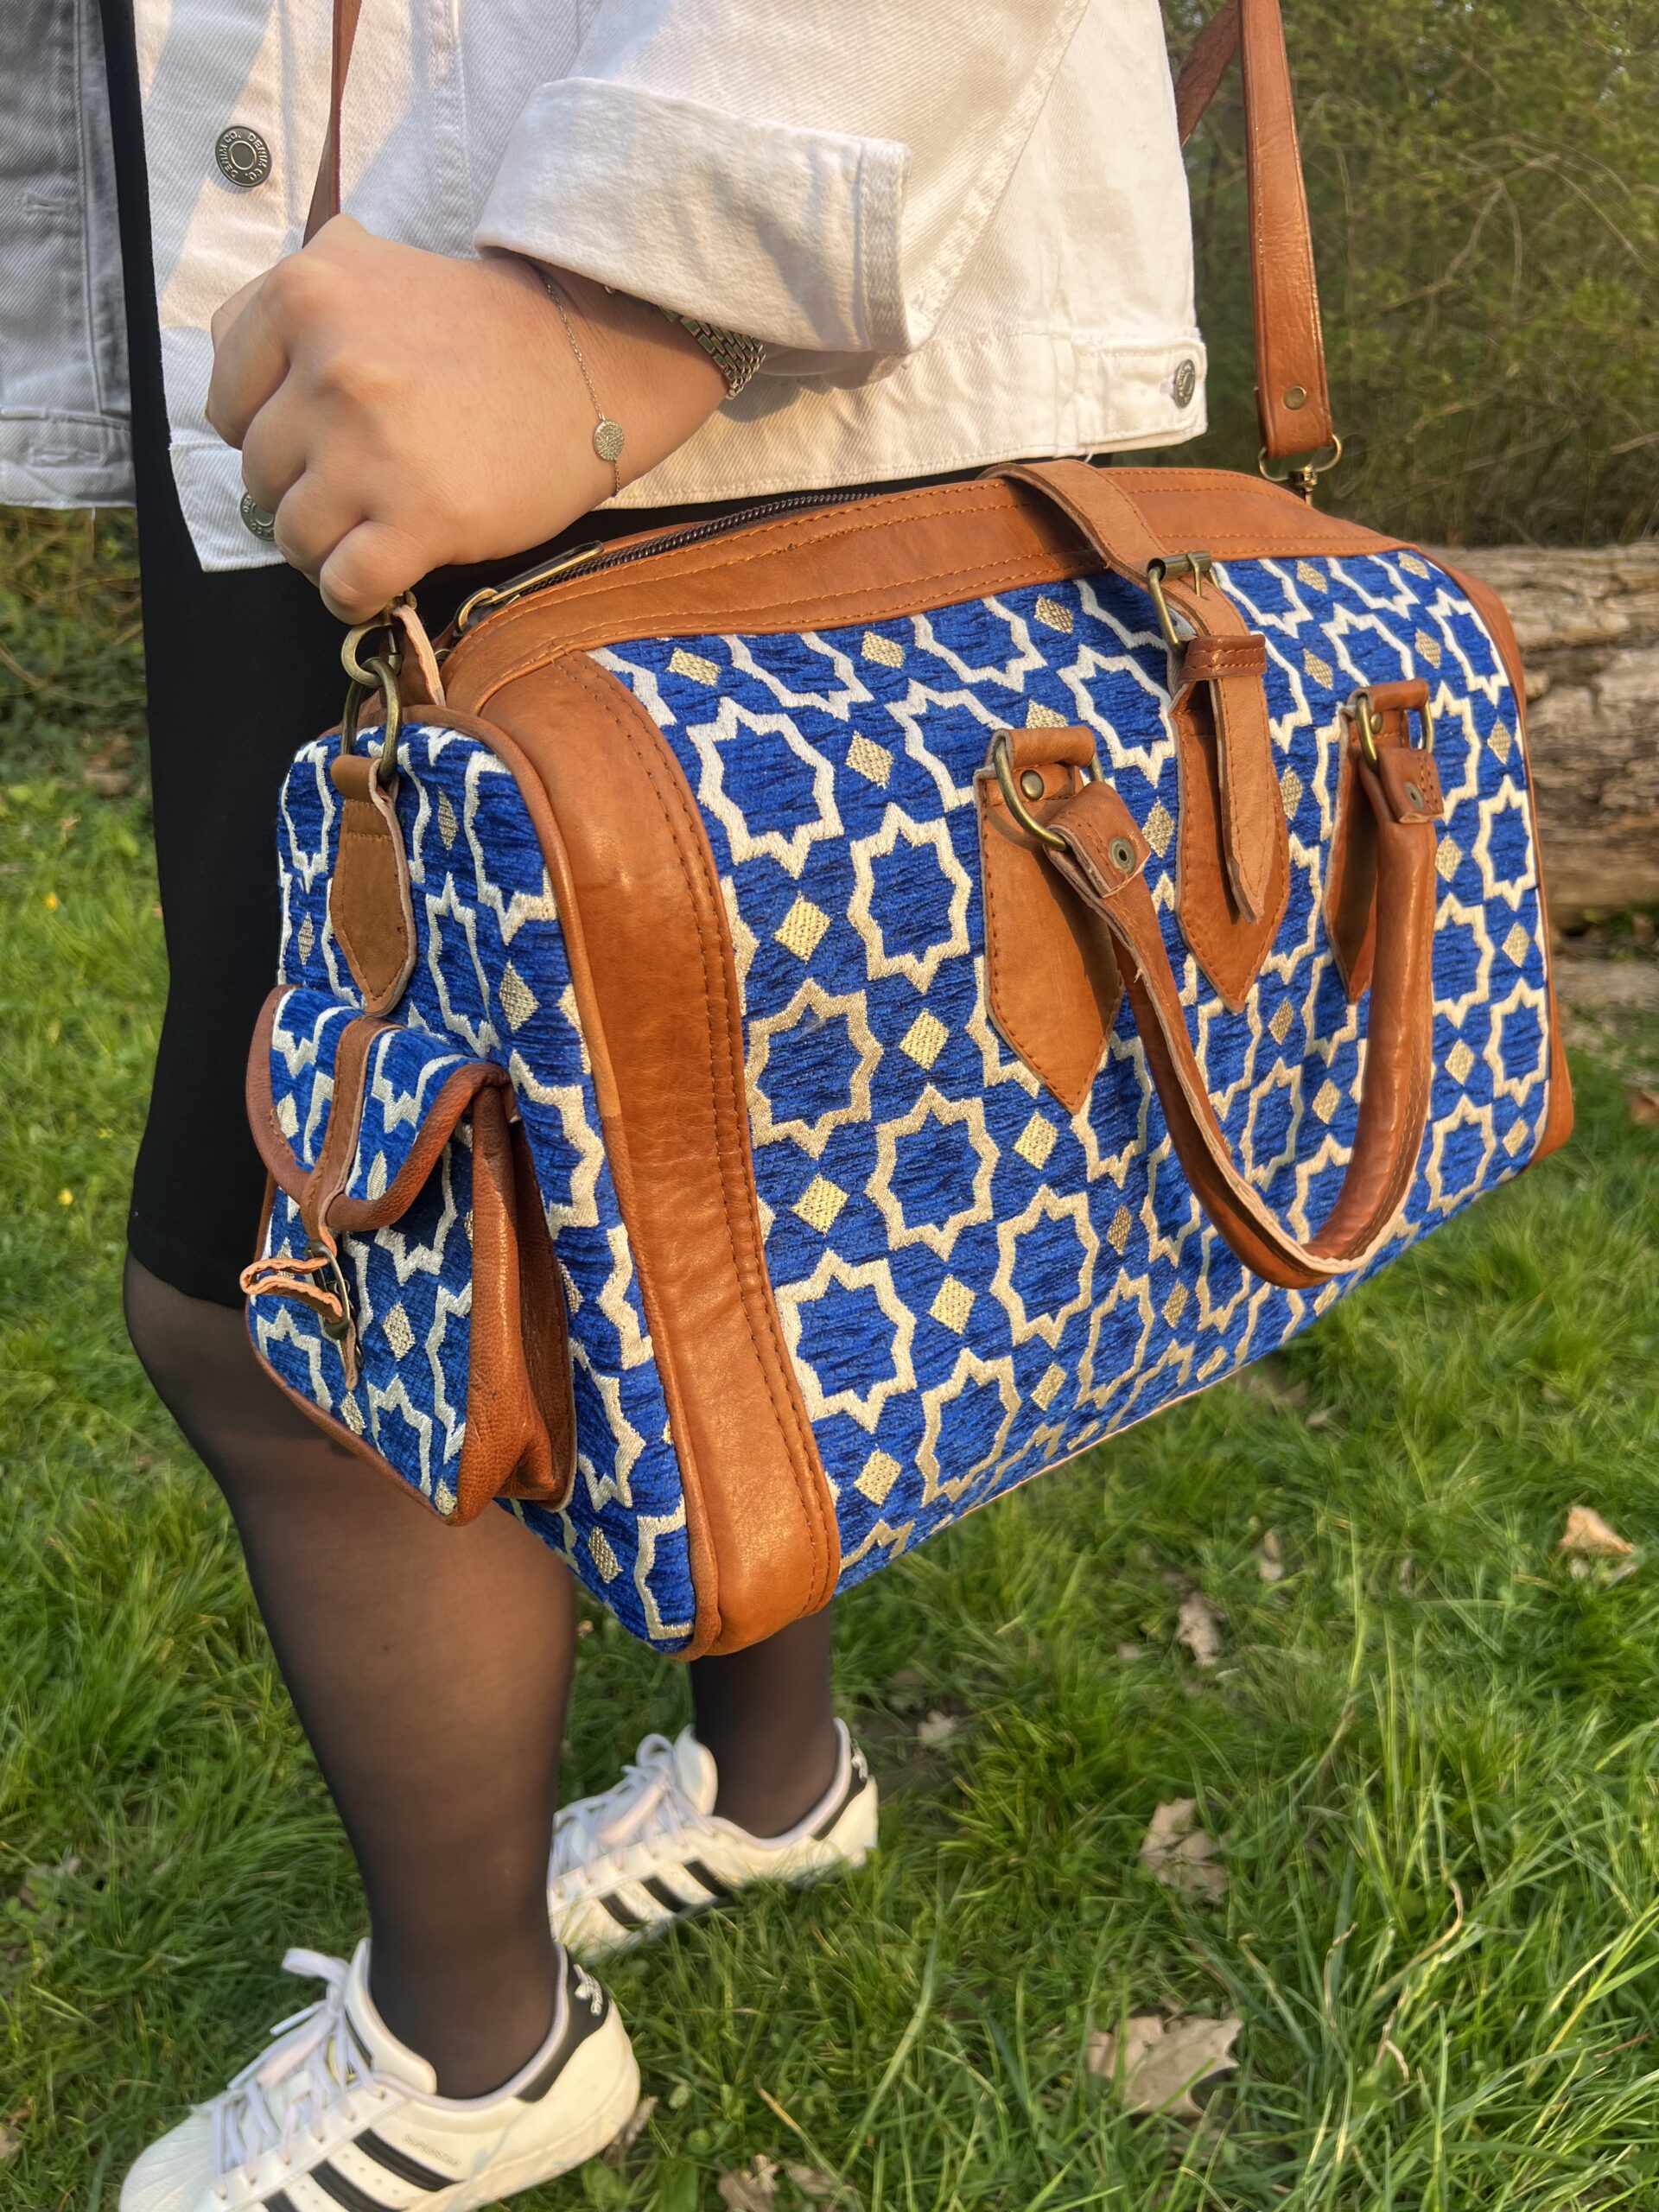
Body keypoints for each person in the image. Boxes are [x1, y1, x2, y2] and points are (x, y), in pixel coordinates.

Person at [5, 1, 1206, 2202]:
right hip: (372, 295)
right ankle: (774, 1776)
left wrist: (624, 301)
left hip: (518, 295)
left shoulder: (568, 304)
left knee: (302, 1307)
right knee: (714, 1184)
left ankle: (481, 2050)